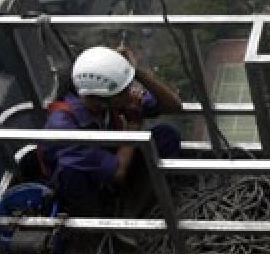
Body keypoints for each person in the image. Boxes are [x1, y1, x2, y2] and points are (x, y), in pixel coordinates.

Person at [40, 45, 183, 218]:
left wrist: (135, 71)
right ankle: (100, 225)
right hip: (91, 186)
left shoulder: (109, 96)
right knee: (70, 174)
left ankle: (137, 204)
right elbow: (117, 173)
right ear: (98, 100)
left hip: (114, 161)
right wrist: (133, 125)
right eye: (124, 91)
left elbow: (173, 106)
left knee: (166, 136)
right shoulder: (64, 128)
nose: (130, 94)